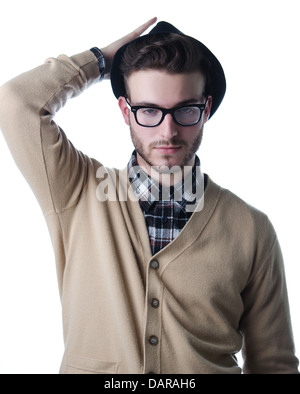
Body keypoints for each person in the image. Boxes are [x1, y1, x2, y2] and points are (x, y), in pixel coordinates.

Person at [0, 18, 298, 374]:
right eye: (149, 111)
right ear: (127, 112)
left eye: (185, 110)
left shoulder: (252, 229)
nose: (168, 131)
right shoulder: (76, 191)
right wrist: (101, 62)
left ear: (205, 109)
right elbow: (16, 103)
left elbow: (274, 365)